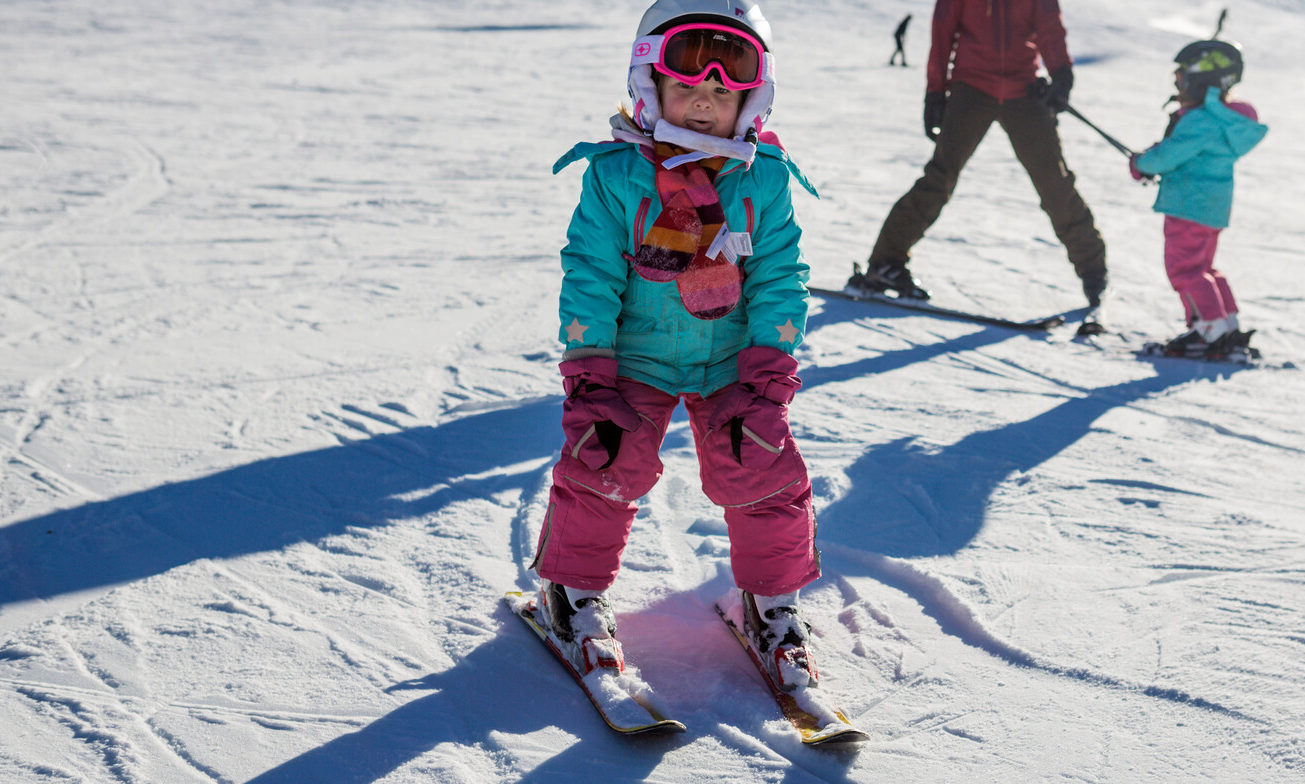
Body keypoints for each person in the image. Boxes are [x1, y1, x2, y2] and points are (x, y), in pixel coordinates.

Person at [538, 0, 823, 692]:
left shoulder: (763, 179)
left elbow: (782, 276)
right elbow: (592, 273)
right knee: (604, 465)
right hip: (633, 359)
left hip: (732, 364)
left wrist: (770, 369)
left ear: (753, 99)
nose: (704, 102)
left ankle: (772, 605)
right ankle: (572, 594)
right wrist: (589, 370)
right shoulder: (615, 175)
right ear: (649, 86)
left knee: (765, 474)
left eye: (724, 91)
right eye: (688, 85)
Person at [852, 0, 1108, 309]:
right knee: (940, 177)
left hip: (1024, 89)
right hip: (971, 88)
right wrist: (935, 92)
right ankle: (885, 264)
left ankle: (1095, 273)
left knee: (1055, 182)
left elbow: (1050, 28)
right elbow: (943, 32)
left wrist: (1062, 74)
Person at [1130, 39, 1267, 359]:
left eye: (1181, 81)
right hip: (1211, 208)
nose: (1178, 88)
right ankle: (1225, 324)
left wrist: (1141, 163)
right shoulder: (1221, 119)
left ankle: (1210, 332)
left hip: (1188, 206)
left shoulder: (1201, 119)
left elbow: (1168, 157)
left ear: (1199, 82)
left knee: (1185, 269)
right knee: (1203, 267)